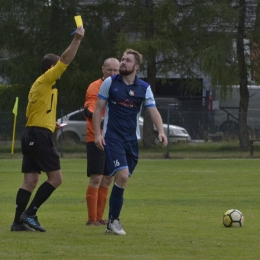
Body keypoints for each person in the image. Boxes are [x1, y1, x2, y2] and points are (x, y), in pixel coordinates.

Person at [10, 26, 85, 232]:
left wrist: (52, 124)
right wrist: (77, 39)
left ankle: (17, 222)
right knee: (56, 178)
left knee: (31, 180)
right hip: (39, 135)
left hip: (31, 133)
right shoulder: (45, 79)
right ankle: (30, 213)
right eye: (57, 68)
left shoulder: (41, 87)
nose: (61, 72)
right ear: (51, 68)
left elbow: (29, 115)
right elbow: (65, 60)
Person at [93, 48, 168, 235]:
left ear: (136, 66)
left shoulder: (144, 87)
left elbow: (153, 111)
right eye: (122, 59)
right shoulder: (110, 83)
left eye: (127, 60)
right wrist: (97, 134)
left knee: (122, 180)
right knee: (123, 176)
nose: (123, 62)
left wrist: (161, 131)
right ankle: (115, 221)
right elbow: (97, 109)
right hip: (113, 138)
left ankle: (111, 221)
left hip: (132, 140)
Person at [83, 58, 120, 226]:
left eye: (116, 70)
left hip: (113, 139)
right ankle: (92, 219)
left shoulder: (121, 87)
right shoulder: (94, 86)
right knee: (96, 178)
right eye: (109, 70)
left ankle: (100, 217)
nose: (112, 73)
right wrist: (98, 117)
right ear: (102, 69)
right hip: (95, 137)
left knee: (107, 179)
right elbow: (90, 107)